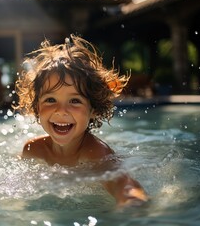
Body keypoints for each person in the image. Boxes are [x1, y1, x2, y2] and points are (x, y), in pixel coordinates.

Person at [14, 34, 148, 207]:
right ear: (37, 107)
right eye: (50, 100)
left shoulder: (97, 154)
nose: (61, 110)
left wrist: (131, 198)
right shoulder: (33, 150)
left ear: (92, 110)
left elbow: (121, 182)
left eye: (75, 101)